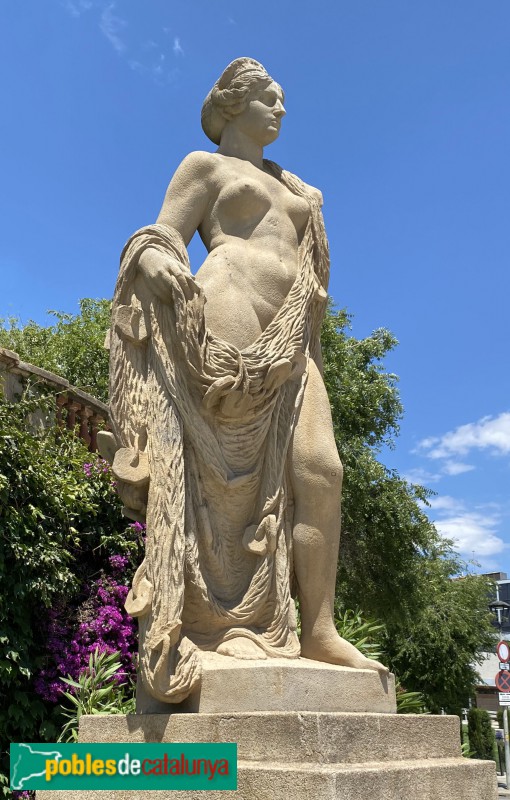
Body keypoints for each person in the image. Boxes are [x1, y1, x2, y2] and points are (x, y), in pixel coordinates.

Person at [108, 58, 387, 705]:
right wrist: (154, 262)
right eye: (269, 98)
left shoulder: (303, 191)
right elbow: (161, 237)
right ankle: (212, 625)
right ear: (234, 105)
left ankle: (318, 629)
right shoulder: (204, 168)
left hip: (291, 340)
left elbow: (313, 289)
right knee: (222, 488)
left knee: (321, 470)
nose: (281, 110)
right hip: (226, 314)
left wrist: (308, 352)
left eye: (282, 100)